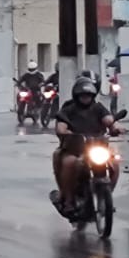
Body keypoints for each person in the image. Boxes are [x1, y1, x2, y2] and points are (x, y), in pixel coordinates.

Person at [51, 73, 122, 214]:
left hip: (97, 147)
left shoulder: (98, 108)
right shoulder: (68, 109)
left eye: (88, 95)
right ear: (76, 96)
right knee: (69, 163)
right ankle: (69, 201)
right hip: (75, 149)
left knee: (114, 162)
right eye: (83, 95)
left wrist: (115, 127)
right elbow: (61, 126)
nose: (86, 98)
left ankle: (107, 196)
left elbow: (108, 119)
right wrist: (65, 132)